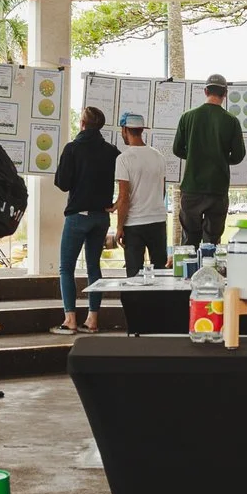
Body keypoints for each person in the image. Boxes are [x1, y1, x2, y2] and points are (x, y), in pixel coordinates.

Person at [52, 105, 119, 333]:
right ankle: (92, 320)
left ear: (82, 123)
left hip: (78, 216)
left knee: (66, 268)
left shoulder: (72, 148)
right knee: (93, 267)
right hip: (101, 217)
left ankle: (69, 320)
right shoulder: (112, 151)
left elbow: (62, 183)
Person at [170, 75, 245, 248]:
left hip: (191, 188)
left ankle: (189, 274)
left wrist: (195, 155)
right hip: (217, 188)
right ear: (225, 93)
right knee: (211, 242)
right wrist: (220, 157)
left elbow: (176, 149)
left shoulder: (187, 117)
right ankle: (210, 273)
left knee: (190, 241)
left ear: (205, 91)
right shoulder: (231, 121)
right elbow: (239, 155)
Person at [112, 113, 170, 275]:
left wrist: (119, 227)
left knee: (134, 274)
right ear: (141, 130)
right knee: (159, 272)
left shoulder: (124, 159)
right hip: (158, 221)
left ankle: (135, 301)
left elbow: (125, 198)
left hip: (134, 224)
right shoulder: (159, 157)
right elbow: (162, 191)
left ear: (124, 130)